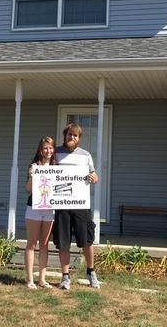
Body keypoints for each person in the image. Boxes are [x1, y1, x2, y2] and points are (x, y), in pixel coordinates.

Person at [53, 122, 100, 289]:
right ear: (64, 136)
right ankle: (65, 276)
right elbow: (46, 171)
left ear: (79, 138)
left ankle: (91, 272)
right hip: (61, 205)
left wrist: (93, 177)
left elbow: (93, 175)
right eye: (69, 134)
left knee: (87, 240)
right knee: (63, 241)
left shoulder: (86, 155)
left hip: (81, 204)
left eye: (75, 135)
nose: (71, 137)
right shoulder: (55, 153)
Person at [24, 136, 56, 289]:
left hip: (50, 210)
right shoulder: (34, 166)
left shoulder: (57, 167)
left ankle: (42, 279)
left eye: (50, 148)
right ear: (40, 150)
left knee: (44, 244)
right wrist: (31, 177)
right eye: (45, 148)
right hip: (34, 209)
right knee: (32, 244)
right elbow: (28, 190)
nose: (48, 151)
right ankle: (30, 279)